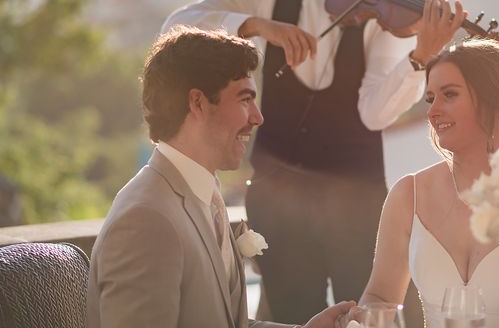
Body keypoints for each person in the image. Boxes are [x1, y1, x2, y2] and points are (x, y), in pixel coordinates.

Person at [162, 0, 464, 324]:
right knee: (292, 319)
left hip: (356, 203)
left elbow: (374, 111)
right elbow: (176, 26)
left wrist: (420, 56)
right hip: (278, 203)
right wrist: (256, 25)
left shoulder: (384, 0)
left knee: (368, 318)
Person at [86, 26, 355, 328]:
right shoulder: (146, 219)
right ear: (198, 102)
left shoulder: (203, 194)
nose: (257, 117)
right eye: (244, 99)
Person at [356, 38, 499, 327]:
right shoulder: (409, 195)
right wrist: (365, 317)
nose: (432, 111)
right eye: (430, 99)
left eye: (449, 95)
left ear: (494, 99)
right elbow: (380, 296)